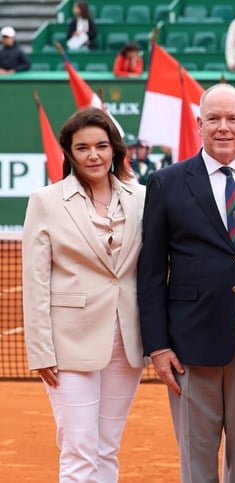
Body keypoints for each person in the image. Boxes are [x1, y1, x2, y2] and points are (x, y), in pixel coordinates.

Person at [137, 83, 235, 482]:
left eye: (232, 119)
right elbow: (150, 272)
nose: (224, 127)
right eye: (214, 119)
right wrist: (157, 346)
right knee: (197, 466)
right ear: (198, 124)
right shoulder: (166, 182)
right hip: (189, 347)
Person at [22, 106, 146, 482]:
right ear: (69, 153)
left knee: (107, 447)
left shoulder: (141, 197)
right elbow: (35, 280)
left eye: (101, 146)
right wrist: (41, 350)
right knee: (79, 450)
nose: (93, 155)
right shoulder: (46, 200)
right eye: (82, 148)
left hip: (127, 341)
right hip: (68, 343)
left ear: (114, 150)